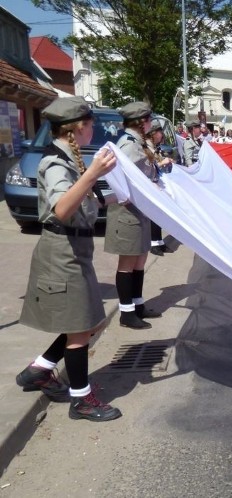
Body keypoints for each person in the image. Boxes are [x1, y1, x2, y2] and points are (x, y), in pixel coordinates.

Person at [15, 96, 122, 421]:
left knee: (86, 322)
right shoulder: (54, 163)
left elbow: (88, 200)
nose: (94, 130)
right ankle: (82, 401)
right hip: (62, 254)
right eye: (91, 125)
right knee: (81, 328)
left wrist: (127, 193)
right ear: (77, 128)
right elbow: (62, 208)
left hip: (74, 251)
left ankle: (40, 370)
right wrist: (91, 174)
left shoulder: (70, 158)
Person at [104, 102, 162, 330]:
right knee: (127, 263)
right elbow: (120, 179)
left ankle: (137, 305)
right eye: (148, 120)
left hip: (139, 210)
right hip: (127, 211)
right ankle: (126, 312)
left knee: (139, 260)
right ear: (140, 122)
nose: (150, 124)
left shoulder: (138, 142)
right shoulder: (128, 145)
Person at [145, 120, 174, 256]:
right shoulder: (147, 147)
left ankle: (159, 241)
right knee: (154, 214)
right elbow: (148, 166)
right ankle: (154, 243)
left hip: (157, 182)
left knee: (159, 214)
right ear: (153, 133)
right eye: (159, 131)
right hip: (151, 183)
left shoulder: (154, 147)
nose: (162, 134)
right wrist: (163, 162)